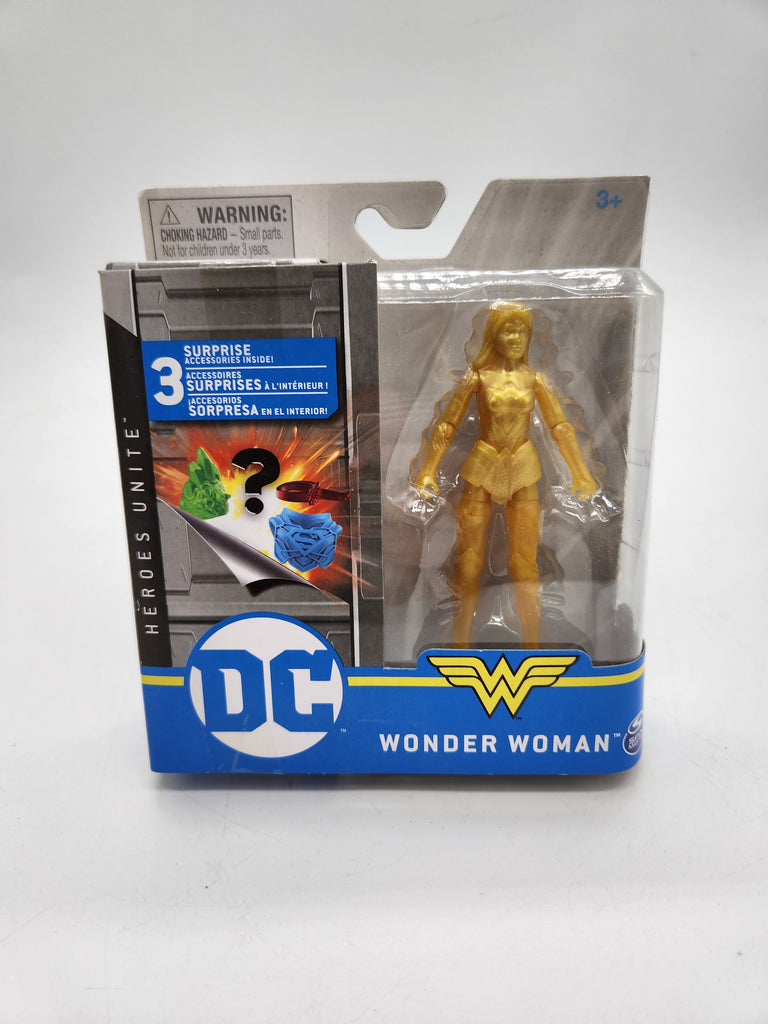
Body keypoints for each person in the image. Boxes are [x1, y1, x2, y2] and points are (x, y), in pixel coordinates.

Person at [414, 302, 597, 647]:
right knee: (469, 565)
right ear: (493, 335)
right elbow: (447, 424)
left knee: (525, 567)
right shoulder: (477, 377)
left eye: (522, 331)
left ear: (530, 336)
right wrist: (427, 471)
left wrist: (581, 474)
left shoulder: (535, 379)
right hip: (482, 466)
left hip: (524, 469)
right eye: (507, 331)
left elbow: (560, 427)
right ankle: (460, 645)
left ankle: (533, 647)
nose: (515, 338)